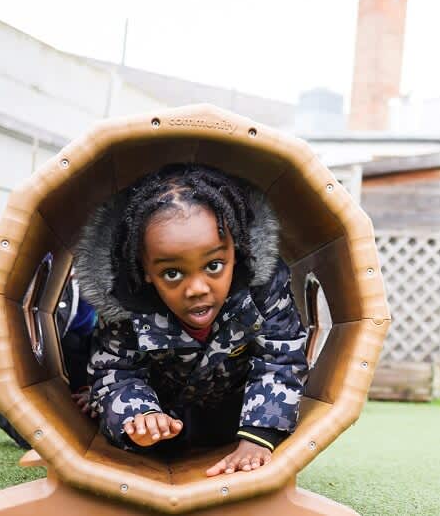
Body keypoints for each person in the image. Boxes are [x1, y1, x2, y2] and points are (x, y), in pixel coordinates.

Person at [76, 163, 307, 477]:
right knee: (95, 385)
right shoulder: (126, 304)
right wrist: (139, 415)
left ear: (235, 253)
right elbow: (116, 372)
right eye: (172, 273)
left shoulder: (261, 288)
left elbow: (281, 356)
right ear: (145, 271)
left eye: (214, 265)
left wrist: (260, 435)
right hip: (165, 407)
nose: (197, 289)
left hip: (234, 407)